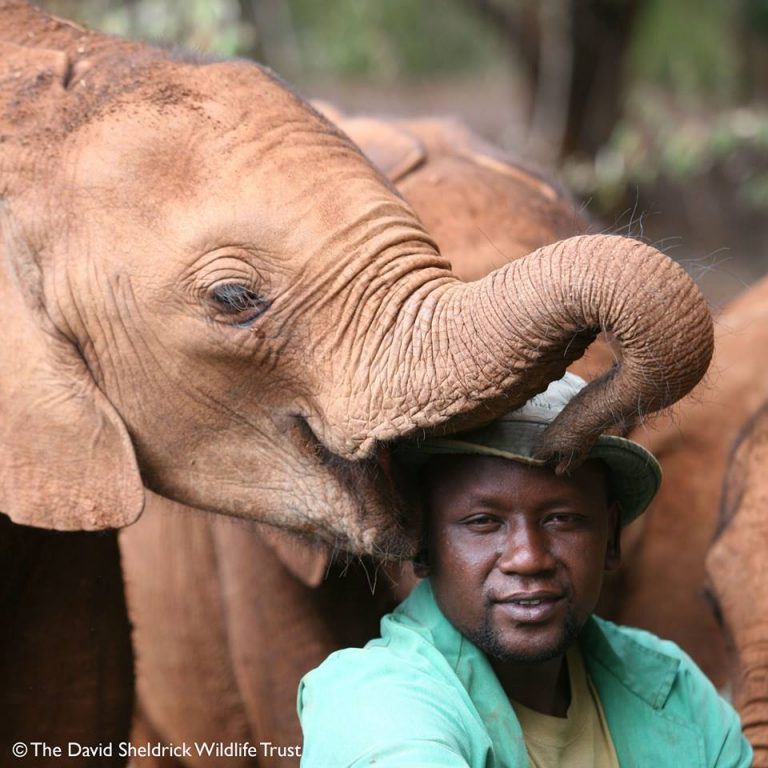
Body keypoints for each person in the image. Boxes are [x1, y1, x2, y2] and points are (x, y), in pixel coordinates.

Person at [297, 373, 752, 767]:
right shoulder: (372, 702)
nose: (528, 558)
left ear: (611, 537)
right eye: (483, 522)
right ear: (423, 543)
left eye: (562, 519)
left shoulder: (671, 688)